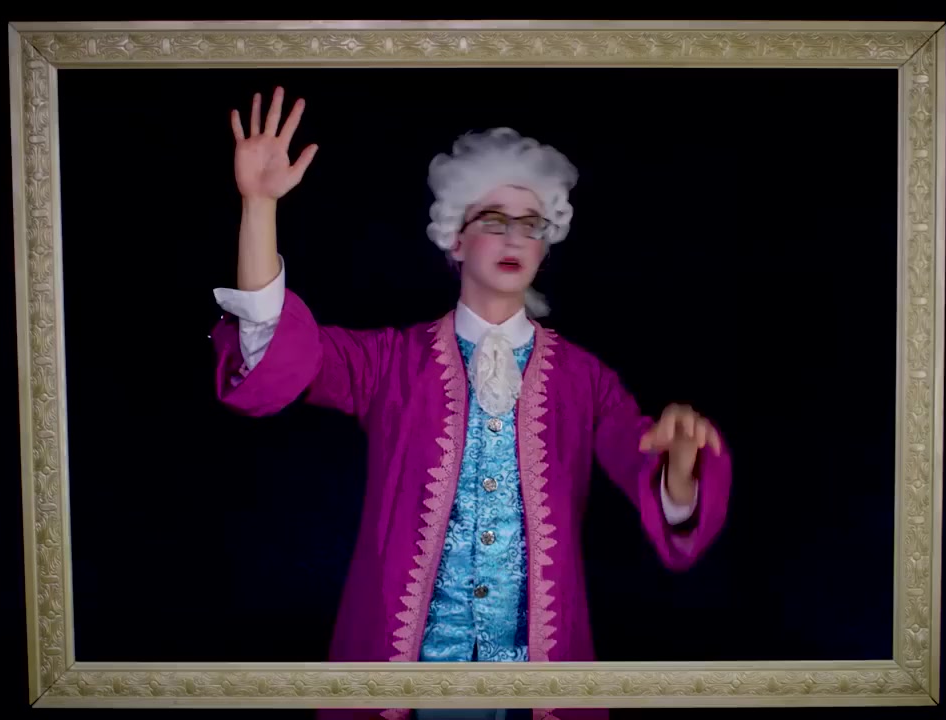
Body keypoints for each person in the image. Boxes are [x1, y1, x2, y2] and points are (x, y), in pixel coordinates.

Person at [209, 88, 733, 720]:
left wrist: (681, 465)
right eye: (493, 220)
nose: (514, 236)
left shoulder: (585, 379)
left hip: (535, 687)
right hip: (407, 683)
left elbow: (646, 467)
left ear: (545, 245)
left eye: (531, 224)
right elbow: (276, 352)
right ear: (455, 239)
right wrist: (259, 207)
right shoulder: (390, 361)